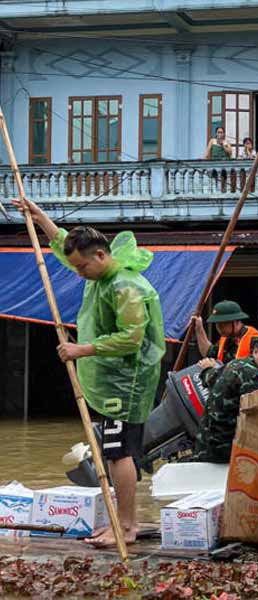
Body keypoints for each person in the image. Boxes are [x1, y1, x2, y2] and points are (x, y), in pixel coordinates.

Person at [12, 197, 165, 549]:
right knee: (115, 451)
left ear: (100, 255)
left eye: (82, 267)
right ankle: (125, 519)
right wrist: (39, 218)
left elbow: (131, 338)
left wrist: (81, 349)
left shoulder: (125, 287)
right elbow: (65, 247)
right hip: (112, 378)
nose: (77, 272)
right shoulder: (100, 275)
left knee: (118, 451)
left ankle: (125, 526)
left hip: (126, 382)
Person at [195, 335, 258, 463]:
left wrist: (207, 369)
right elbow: (254, 420)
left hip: (204, 442)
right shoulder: (253, 374)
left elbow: (210, 378)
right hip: (222, 449)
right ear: (256, 352)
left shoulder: (236, 363)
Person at [192, 300, 258, 366]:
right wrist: (199, 328)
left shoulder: (257, 341)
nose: (219, 328)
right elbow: (208, 352)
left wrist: (214, 369)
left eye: (223, 324)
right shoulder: (226, 338)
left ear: (236, 322)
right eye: (217, 323)